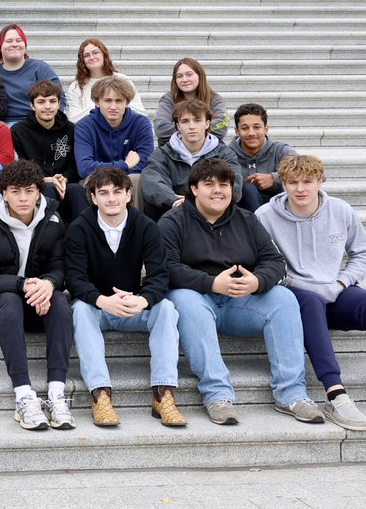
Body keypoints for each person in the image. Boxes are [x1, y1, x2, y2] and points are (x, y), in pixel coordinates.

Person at [162, 158, 320, 426]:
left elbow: (275, 261)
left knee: (284, 298)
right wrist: (211, 283)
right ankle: (217, 395)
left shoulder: (247, 219)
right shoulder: (172, 221)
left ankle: (291, 394)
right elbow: (165, 268)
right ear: (194, 189)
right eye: (208, 184)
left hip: (240, 303)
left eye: (224, 184)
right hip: (198, 300)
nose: (217, 191)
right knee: (183, 299)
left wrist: (257, 282)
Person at [66, 168, 187, 428]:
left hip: (134, 306)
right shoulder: (79, 228)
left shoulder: (145, 226)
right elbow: (74, 279)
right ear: (93, 197)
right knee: (79, 310)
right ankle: (100, 395)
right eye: (104, 193)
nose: (111, 198)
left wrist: (143, 300)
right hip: (96, 308)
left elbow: (160, 275)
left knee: (165, 307)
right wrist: (101, 300)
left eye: (117, 192)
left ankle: (163, 394)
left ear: (129, 194)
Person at [256, 155, 366, 430]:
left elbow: (361, 253)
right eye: (293, 182)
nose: (300, 188)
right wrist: (307, 287)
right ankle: (336, 395)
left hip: (335, 291)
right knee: (311, 303)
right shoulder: (265, 216)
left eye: (308, 181)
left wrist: (341, 283)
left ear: (321, 182)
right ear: (283, 184)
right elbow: (266, 266)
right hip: (295, 295)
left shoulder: (340, 210)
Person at [0, 160, 73, 431]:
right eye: (15, 191)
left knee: (61, 301)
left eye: (29, 190)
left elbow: (61, 267)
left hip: (38, 303)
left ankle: (56, 393)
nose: (23, 198)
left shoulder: (53, 220)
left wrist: (50, 284)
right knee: (10, 300)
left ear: (39, 192)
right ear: (3, 193)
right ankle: (24, 394)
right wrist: (23, 285)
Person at [141, 100, 243, 221]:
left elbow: (235, 182)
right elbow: (153, 182)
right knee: (152, 207)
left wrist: (200, 202)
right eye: (185, 121)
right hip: (175, 210)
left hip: (212, 208)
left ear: (207, 123)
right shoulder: (163, 153)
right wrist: (173, 200)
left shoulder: (224, 153)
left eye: (197, 120)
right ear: (178, 126)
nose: (191, 126)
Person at [10, 79, 86, 224]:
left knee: (76, 190)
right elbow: (20, 166)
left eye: (52, 101)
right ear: (32, 105)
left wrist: (64, 178)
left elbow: (74, 165)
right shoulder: (18, 131)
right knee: (49, 188)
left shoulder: (71, 129)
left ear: (59, 104)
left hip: (65, 184)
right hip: (36, 186)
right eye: (41, 102)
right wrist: (46, 180)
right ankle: (49, 234)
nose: (47, 106)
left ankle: (83, 236)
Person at [73, 76, 155, 202]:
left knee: (137, 179)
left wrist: (120, 176)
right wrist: (125, 164)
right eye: (108, 101)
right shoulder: (85, 126)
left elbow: (146, 163)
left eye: (119, 101)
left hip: (129, 179)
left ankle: (135, 221)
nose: (113, 106)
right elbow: (84, 168)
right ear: (97, 101)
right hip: (95, 179)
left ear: (127, 102)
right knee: (93, 182)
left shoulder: (141, 123)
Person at [0, 24, 61, 126]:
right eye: (9, 41)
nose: (14, 44)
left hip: (36, 122)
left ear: (25, 46)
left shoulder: (39, 68)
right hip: (2, 126)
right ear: (0, 47)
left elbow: (60, 97)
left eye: (19, 40)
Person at [232, 103, 297, 211]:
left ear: (266, 129)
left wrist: (274, 179)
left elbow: (315, 176)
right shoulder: (227, 154)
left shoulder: (281, 150)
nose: (251, 133)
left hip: (279, 209)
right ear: (237, 131)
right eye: (245, 128)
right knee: (247, 189)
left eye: (257, 127)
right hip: (242, 212)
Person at [64, 38, 145, 124]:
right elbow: (73, 119)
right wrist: (99, 109)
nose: (92, 57)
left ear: (104, 54)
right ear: (82, 60)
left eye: (95, 52)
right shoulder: (76, 86)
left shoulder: (122, 80)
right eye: (86, 55)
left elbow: (140, 112)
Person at [154, 57, 229, 145]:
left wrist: (191, 133)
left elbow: (223, 124)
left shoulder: (215, 99)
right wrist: (197, 131)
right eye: (179, 76)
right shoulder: (167, 100)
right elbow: (161, 128)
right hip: (173, 153)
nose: (184, 80)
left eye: (189, 74)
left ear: (200, 76)